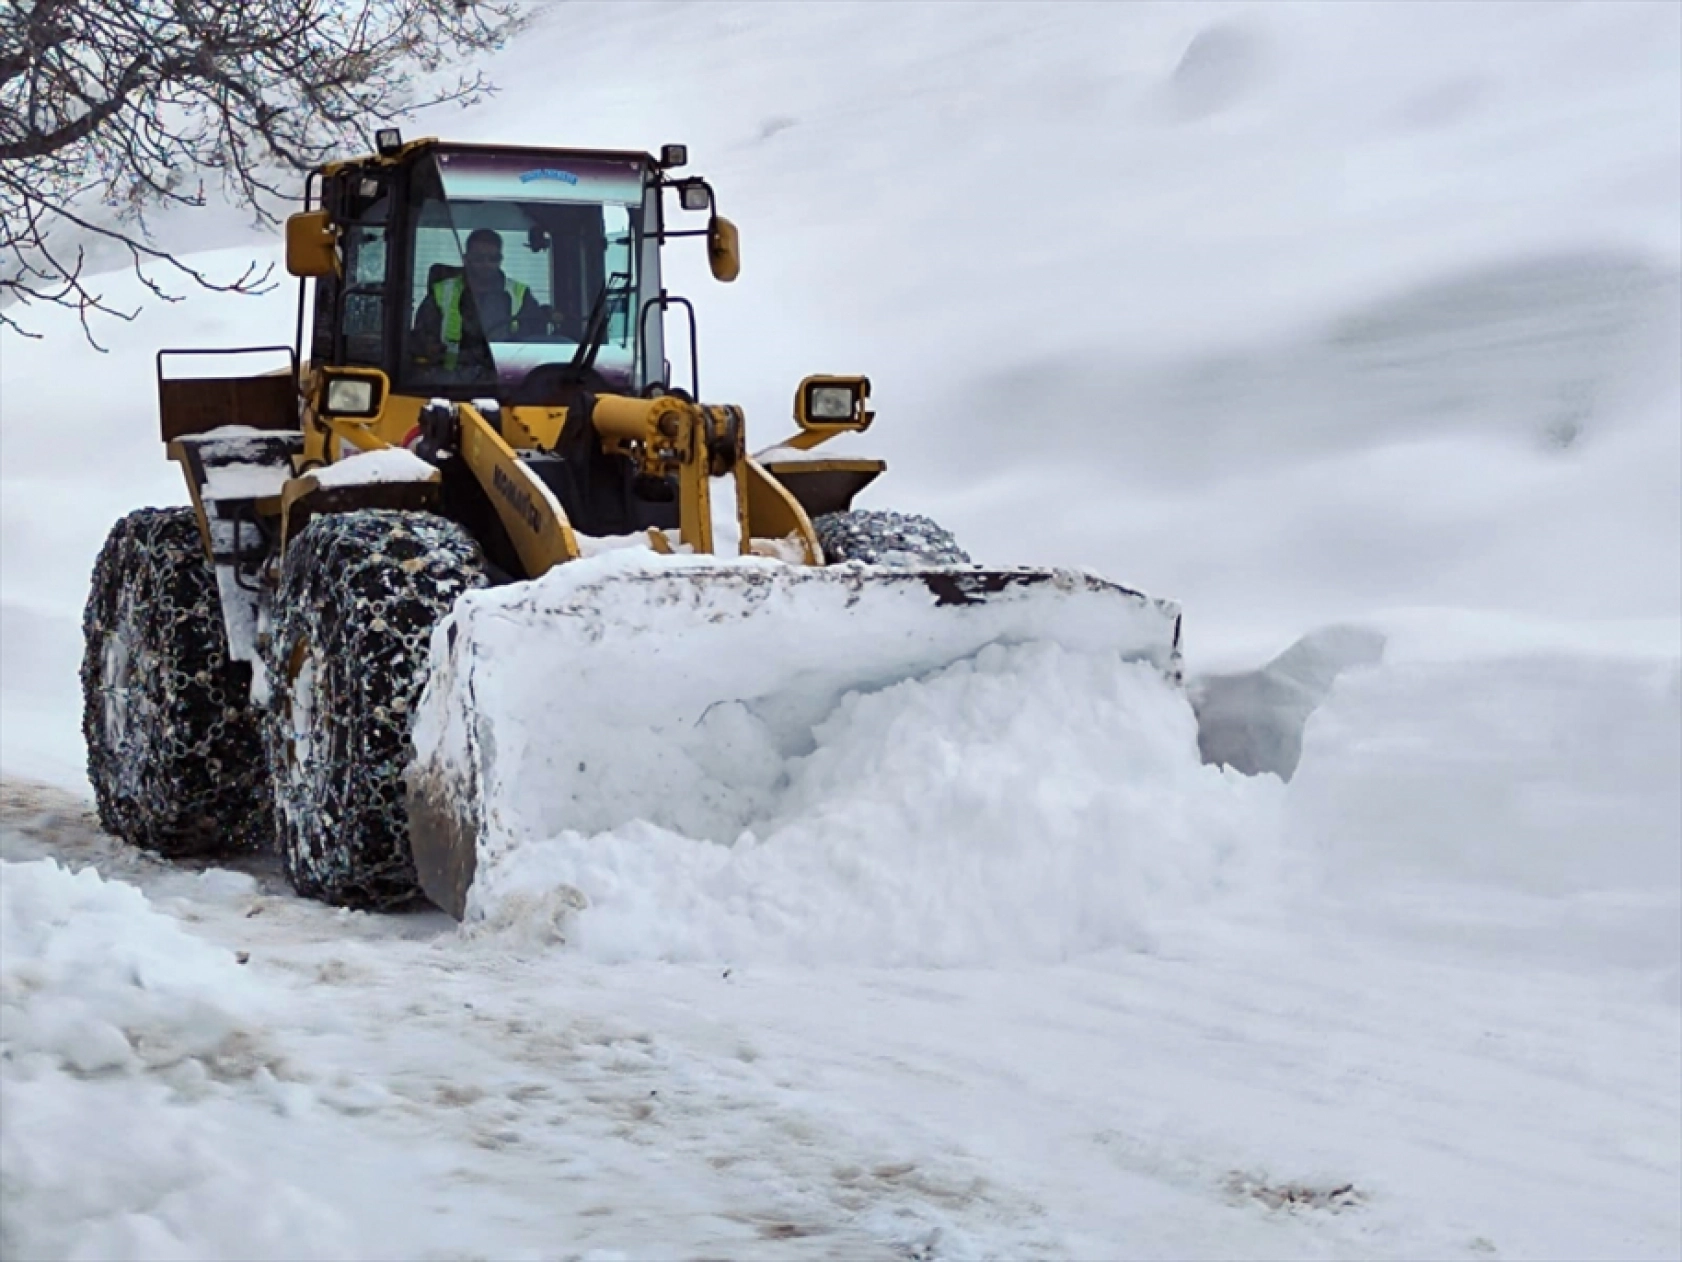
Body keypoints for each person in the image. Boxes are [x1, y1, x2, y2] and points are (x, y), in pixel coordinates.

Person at [410, 228, 548, 372]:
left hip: (507, 374)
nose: (486, 264)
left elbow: (535, 339)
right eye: (479, 258)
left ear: (500, 260)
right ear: (466, 259)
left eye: (493, 258)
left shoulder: (520, 294)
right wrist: (433, 349)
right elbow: (422, 339)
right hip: (452, 377)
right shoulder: (442, 293)